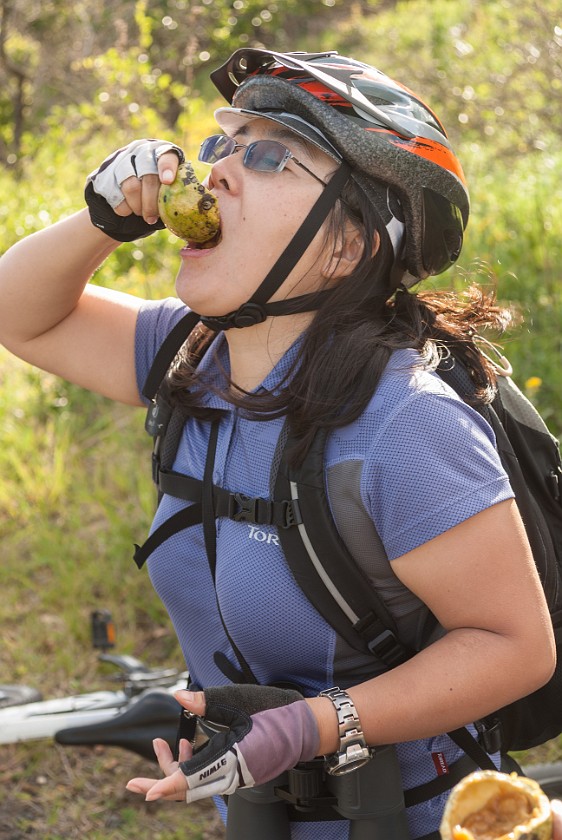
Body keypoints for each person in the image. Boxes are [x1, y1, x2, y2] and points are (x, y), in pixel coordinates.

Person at [0, 48, 556, 839]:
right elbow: (20, 313)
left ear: (351, 243)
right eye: (221, 144)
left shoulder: (406, 423)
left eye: (268, 156)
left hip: (416, 819)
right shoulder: (190, 354)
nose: (216, 170)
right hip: (256, 814)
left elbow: (514, 647)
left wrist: (313, 725)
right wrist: (101, 220)